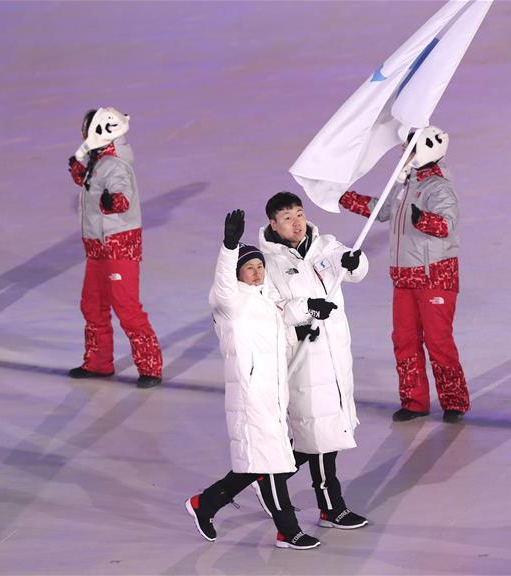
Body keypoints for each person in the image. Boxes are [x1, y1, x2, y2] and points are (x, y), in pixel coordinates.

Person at [185, 209, 330, 550]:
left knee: (261, 462)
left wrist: (312, 308)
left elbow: (286, 312)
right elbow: (222, 283)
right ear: (237, 273)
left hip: (274, 393)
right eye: (249, 268)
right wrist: (229, 247)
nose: (256, 273)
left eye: (260, 266)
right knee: (272, 463)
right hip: (250, 395)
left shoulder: (267, 300)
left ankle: (204, 504)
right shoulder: (230, 302)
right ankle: (287, 530)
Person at [339, 126, 469, 423]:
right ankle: (414, 401)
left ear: (424, 150)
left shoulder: (439, 187)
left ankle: (454, 401)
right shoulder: (404, 184)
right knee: (404, 339)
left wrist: (423, 219)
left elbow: (447, 225)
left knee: (438, 341)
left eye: (409, 149)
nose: (403, 153)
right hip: (404, 278)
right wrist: (345, 199)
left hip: (435, 276)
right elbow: (381, 210)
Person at [258, 192, 370, 530]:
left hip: (335, 356)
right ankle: (329, 506)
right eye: (287, 217)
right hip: (304, 357)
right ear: (273, 224)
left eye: (299, 213)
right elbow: (273, 308)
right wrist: (308, 308)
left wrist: (355, 261)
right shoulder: (269, 262)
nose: (297, 222)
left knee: (327, 432)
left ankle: (269, 479)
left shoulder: (325, 245)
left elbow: (352, 269)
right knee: (317, 434)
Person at [66, 107, 163, 388]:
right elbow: (91, 184)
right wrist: (78, 167)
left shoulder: (116, 164)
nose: (83, 134)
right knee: (92, 304)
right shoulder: (100, 160)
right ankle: (98, 362)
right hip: (97, 246)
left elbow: (122, 195)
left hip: (118, 246)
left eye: (86, 129)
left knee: (126, 307)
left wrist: (114, 201)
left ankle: (150, 366)